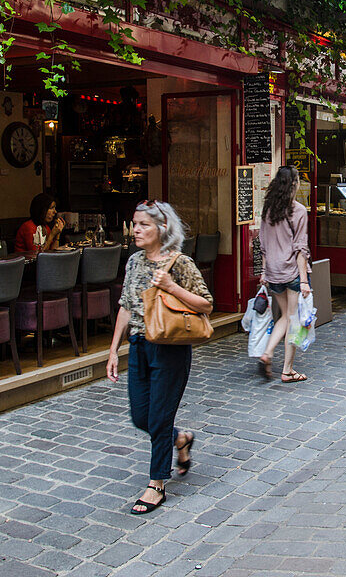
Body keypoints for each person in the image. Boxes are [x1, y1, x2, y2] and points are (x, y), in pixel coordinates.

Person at [107, 201, 213, 515]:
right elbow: (126, 306)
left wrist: (170, 287)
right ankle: (180, 439)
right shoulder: (134, 262)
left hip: (170, 346)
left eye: (143, 225)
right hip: (138, 344)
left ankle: (156, 485)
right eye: (135, 224)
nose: (136, 230)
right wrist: (113, 350)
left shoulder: (179, 263)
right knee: (141, 416)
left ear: (162, 228)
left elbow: (206, 304)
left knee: (159, 418)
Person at [257, 165, 312, 383]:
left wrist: (263, 271)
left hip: (273, 271)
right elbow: (300, 248)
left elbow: (262, 244)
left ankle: (268, 353)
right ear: (294, 184)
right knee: (293, 319)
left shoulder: (268, 209)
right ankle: (287, 370)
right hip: (292, 272)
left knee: (285, 317)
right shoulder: (298, 210)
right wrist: (305, 280)